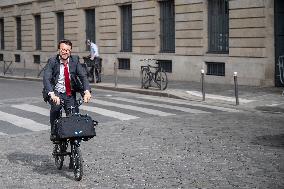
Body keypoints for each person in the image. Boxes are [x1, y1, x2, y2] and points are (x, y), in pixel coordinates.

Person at [43, 39, 92, 141]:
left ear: (70, 51)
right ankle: (54, 132)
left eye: (67, 50)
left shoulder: (75, 60)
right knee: (56, 108)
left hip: (69, 93)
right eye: (62, 49)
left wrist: (87, 91)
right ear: (59, 50)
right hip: (56, 92)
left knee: (74, 115)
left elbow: (83, 76)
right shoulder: (52, 61)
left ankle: (74, 142)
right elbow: (46, 78)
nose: (65, 52)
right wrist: (52, 95)